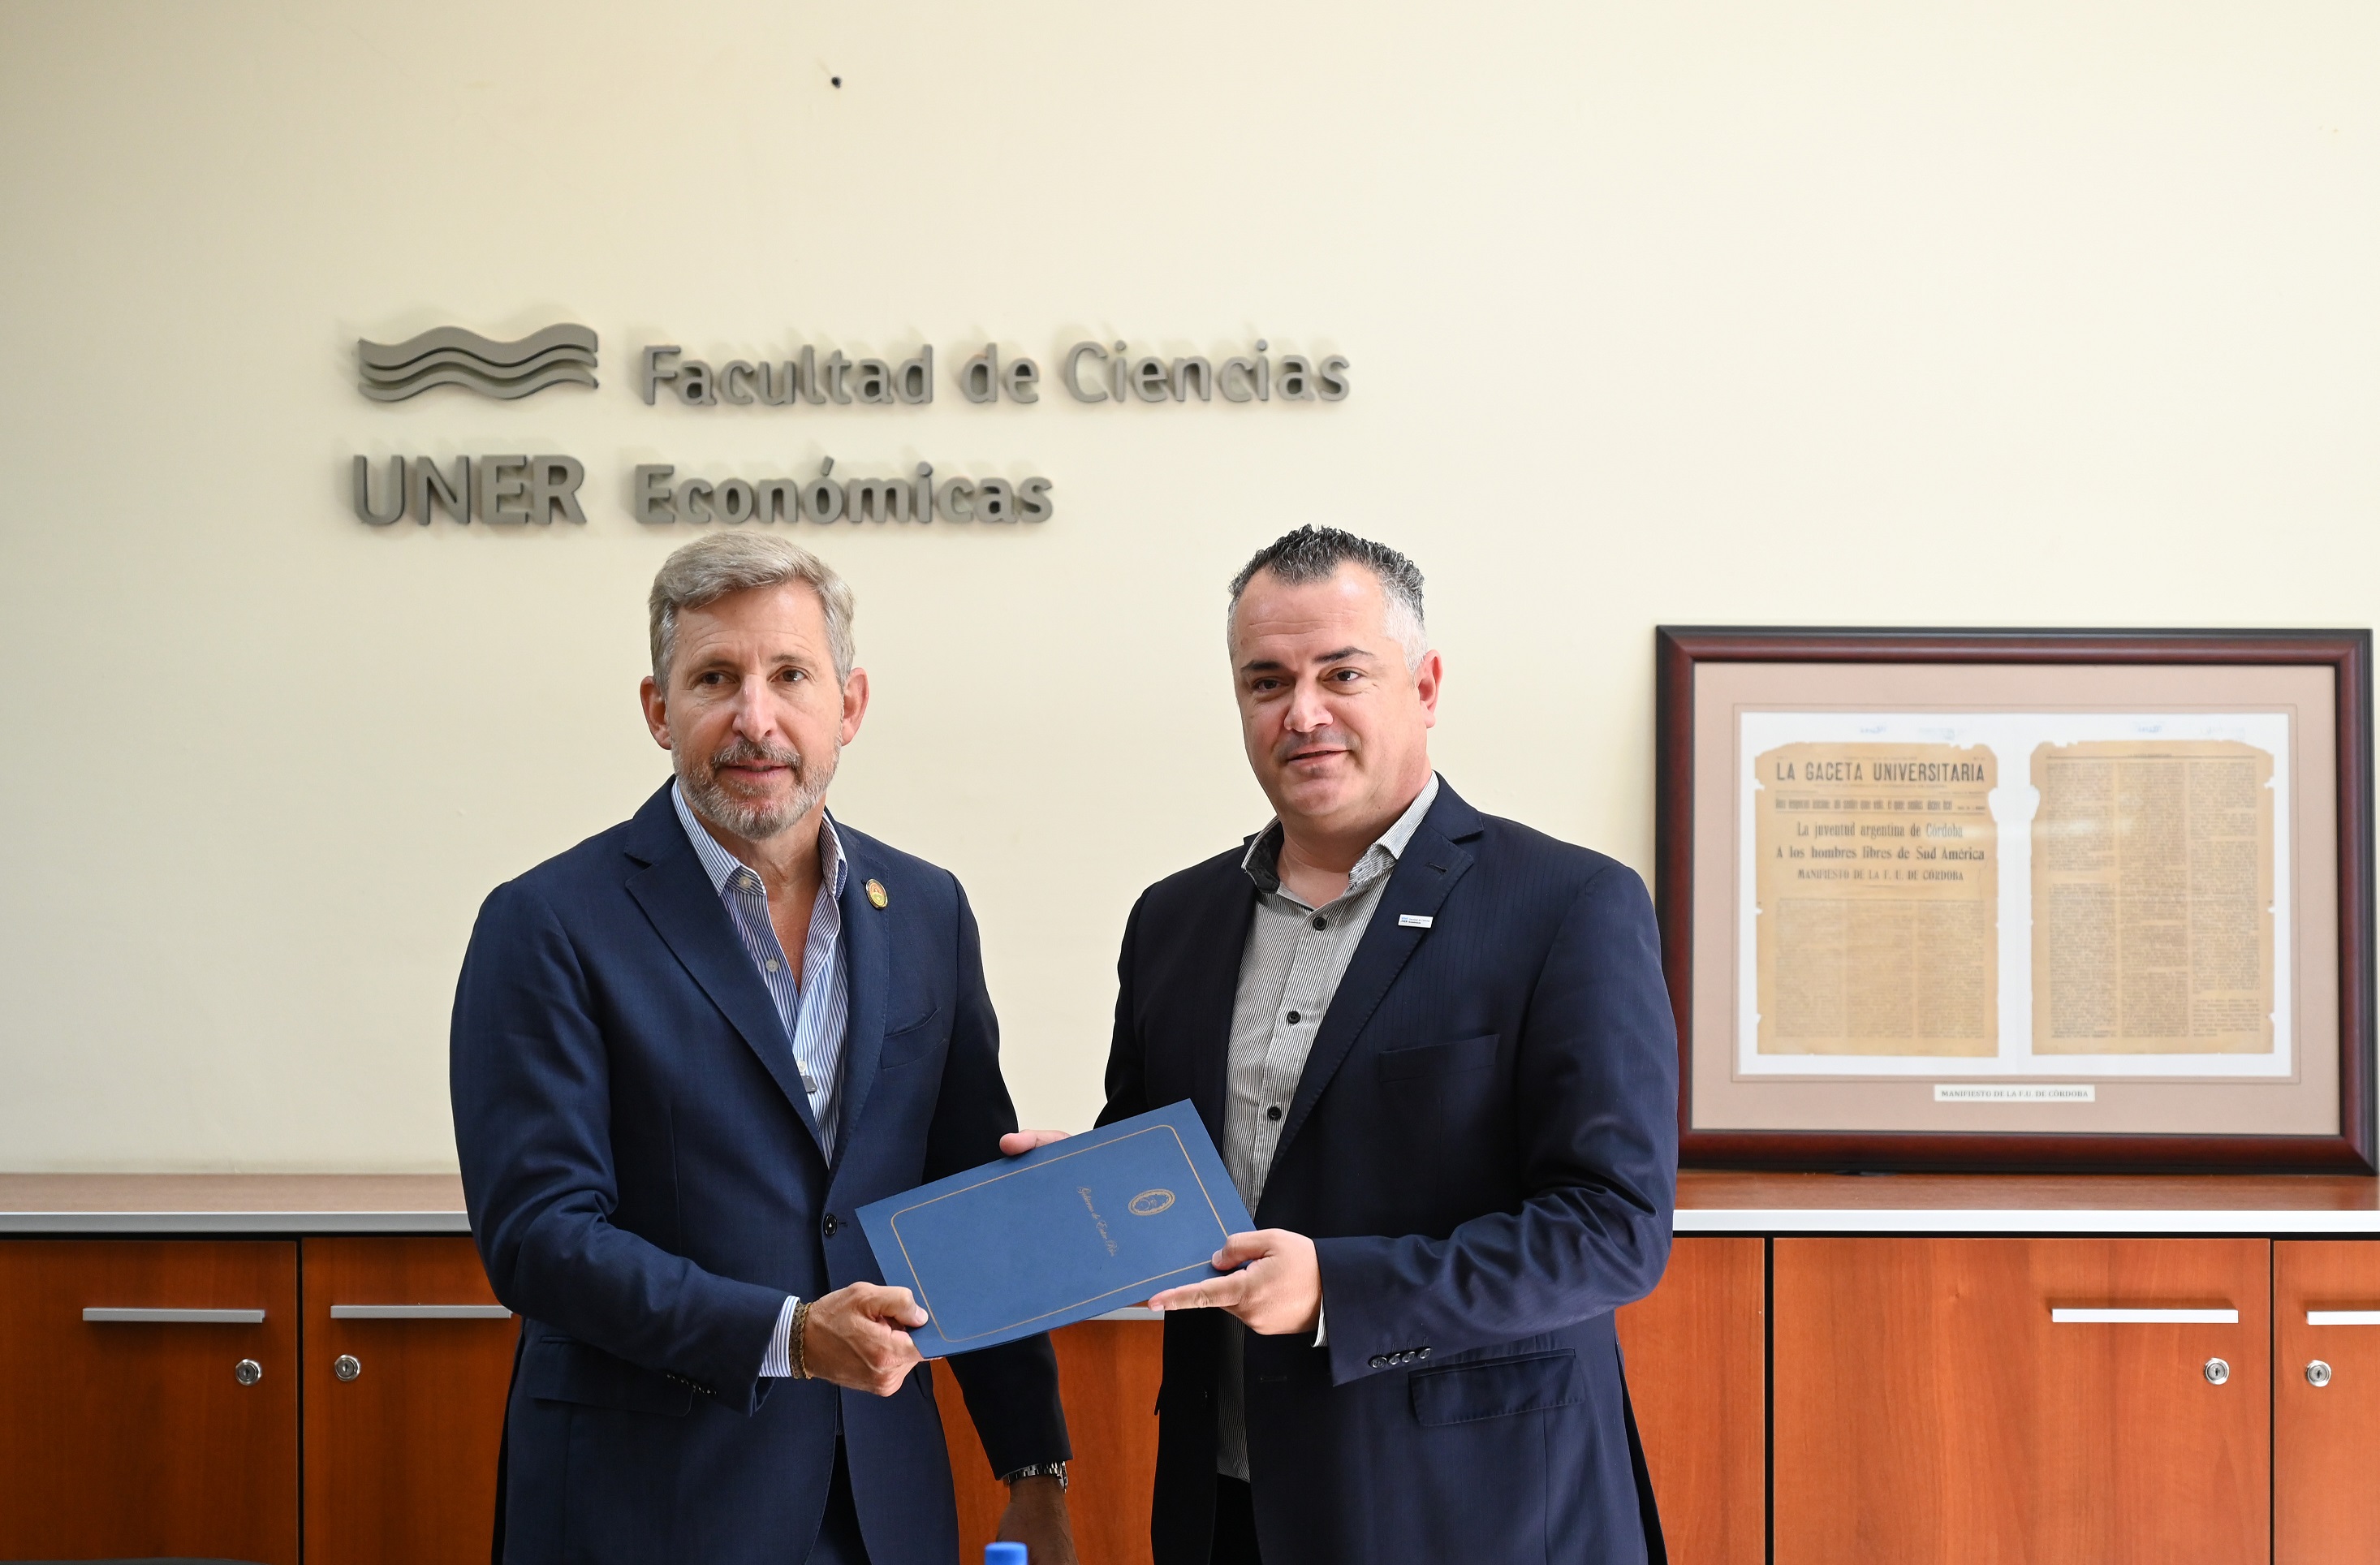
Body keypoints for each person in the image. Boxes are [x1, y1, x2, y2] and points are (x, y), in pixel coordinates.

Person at [451, 534, 1077, 1565]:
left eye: (791, 674)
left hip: (883, 1508)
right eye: (714, 678)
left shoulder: (928, 910)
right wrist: (789, 1333)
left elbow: (965, 1206)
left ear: (849, 704)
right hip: (647, 1509)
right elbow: (539, 1235)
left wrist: (1034, 1470)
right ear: (658, 710)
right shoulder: (548, 922)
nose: (755, 717)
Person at [1093, 525, 1678, 1564]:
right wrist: (1079, 1194)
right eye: (1266, 681)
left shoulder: (1568, 905)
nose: (1302, 712)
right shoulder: (1171, 920)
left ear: (1426, 684)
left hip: (1471, 1512)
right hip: (1224, 1504)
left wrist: (1338, 1287)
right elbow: (1164, 1187)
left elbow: (1612, 1229)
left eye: (1342, 672)